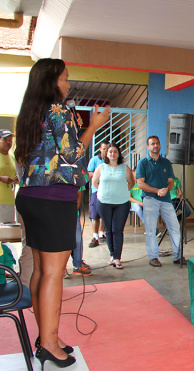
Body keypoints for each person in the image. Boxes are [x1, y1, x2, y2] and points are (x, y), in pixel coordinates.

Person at [14, 58, 110, 367]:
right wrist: (93, 127)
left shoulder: (28, 112)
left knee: (42, 271)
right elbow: (72, 155)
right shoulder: (59, 111)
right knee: (54, 273)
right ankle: (49, 344)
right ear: (53, 80)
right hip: (54, 200)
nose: (68, 84)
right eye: (65, 78)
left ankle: (46, 336)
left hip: (30, 197)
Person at [136, 136, 186, 267]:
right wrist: (156, 190)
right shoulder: (143, 163)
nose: (155, 146)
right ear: (148, 147)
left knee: (174, 227)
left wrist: (166, 190)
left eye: (157, 143)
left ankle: (177, 256)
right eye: (152, 144)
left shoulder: (166, 162)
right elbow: (140, 183)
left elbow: (171, 182)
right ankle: (153, 257)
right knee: (151, 229)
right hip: (150, 199)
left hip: (166, 200)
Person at [92, 143, 135, 269]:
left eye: (115, 151)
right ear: (106, 154)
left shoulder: (124, 168)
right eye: (110, 151)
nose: (112, 154)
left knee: (118, 230)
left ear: (118, 153)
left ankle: (117, 258)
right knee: (108, 229)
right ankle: (112, 255)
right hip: (104, 203)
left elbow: (131, 182)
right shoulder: (101, 167)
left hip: (121, 203)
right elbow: (95, 182)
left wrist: (122, 191)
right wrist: (103, 191)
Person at [87, 140, 108, 247]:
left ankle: (101, 234)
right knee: (95, 215)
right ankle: (94, 237)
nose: (106, 151)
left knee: (105, 214)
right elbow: (88, 173)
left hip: (108, 191)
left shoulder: (111, 160)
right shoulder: (94, 160)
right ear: (100, 149)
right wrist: (98, 174)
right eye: (104, 149)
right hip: (96, 191)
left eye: (107, 148)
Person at [0, 129, 18, 223]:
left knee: (8, 234)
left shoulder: (12, 157)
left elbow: (15, 175)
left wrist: (17, 179)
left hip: (10, 201)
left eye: (10, 139)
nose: (8, 142)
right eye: (5, 139)